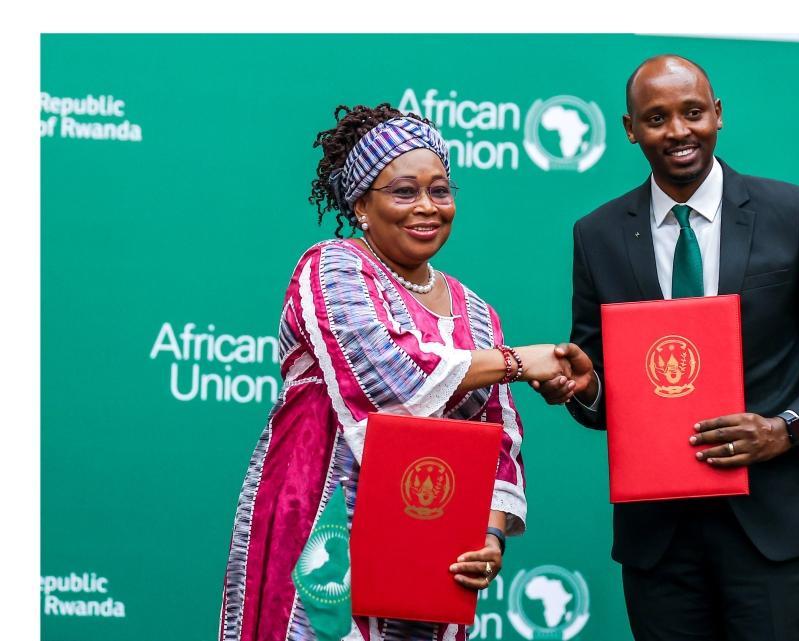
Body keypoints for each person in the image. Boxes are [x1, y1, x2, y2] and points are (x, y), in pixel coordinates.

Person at [533, 56, 799, 641]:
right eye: (656, 118)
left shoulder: (792, 214)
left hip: (774, 528)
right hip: (659, 541)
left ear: (718, 115)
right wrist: (584, 388)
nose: (678, 131)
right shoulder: (597, 234)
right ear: (630, 129)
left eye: (693, 112)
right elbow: (597, 385)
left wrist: (784, 430)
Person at [220, 103, 570, 641]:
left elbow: (498, 440)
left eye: (440, 191)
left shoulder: (477, 312)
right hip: (322, 523)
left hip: (429, 538)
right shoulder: (332, 267)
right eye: (405, 192)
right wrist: (517, 362)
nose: (427, 207)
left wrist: (489, 536)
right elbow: (389, 381)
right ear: (361, 204)